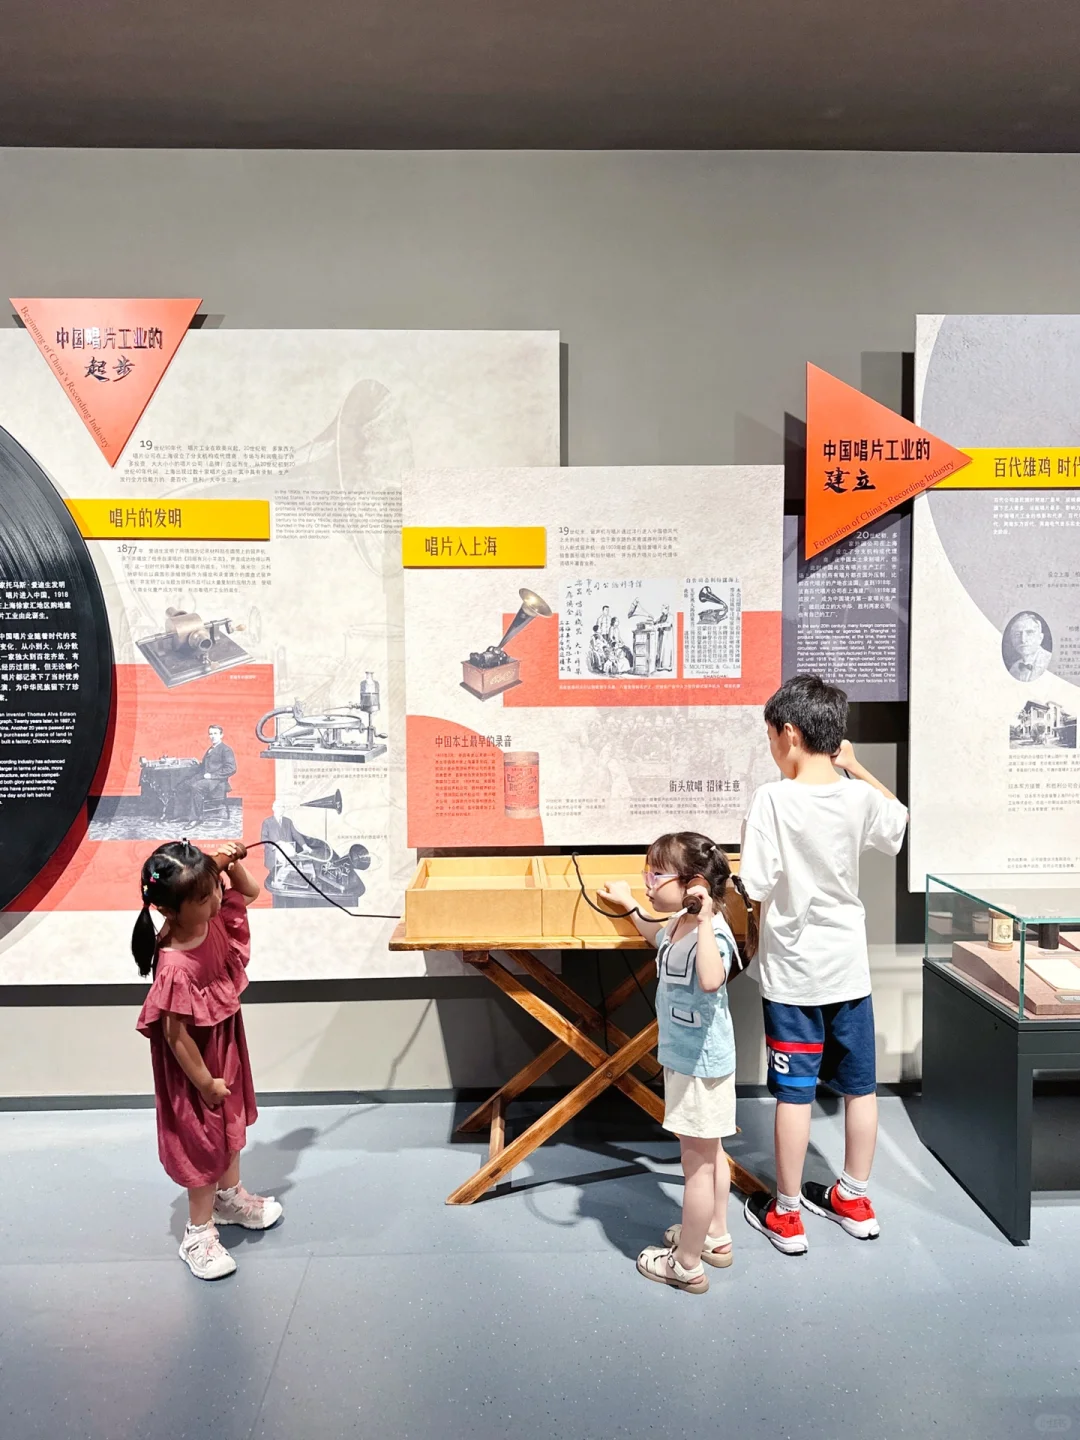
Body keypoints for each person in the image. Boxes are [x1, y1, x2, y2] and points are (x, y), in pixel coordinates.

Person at [738, 675, 908, 1256]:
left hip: (793, 974)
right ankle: (853, 1198)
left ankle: (786, 1213)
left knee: (794, 1093)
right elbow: (897, 821)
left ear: (789, 733)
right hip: (848, 969)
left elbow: (757, 882)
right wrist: (854, 766)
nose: (771, 748)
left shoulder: (772, 799)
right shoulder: (858, 797)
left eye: (770, 737)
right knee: (860, 1088)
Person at [600, 832, 757, 1294]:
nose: (647, 882)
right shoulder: (677, 924)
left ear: (693, 884)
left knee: (697, 1166)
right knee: (711, 1153)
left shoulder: (712, 932)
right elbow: (658, 937)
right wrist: (631, 905)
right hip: (687, 1059)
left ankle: (685, 1263)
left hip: (700, 1065)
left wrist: (705, 920)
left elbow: (711, 978)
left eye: (656, 875)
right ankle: (714, 1236)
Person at [132, 839, 283, 1280]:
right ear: (169, 910)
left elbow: (249, 891)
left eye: (214, 889)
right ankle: (197, 1233)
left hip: (223, 1045)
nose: (218, 899)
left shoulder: (206, 909)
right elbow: (175, 1034)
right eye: (204, 897)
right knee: (202, 1143)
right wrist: (204, 1082)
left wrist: (228, 865)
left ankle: (228, 1197)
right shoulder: (174, 965)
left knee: (229, 1128)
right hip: (195, 1067)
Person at [178, 724, 237, 823]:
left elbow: (231, 768)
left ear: (221, 735)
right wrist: (197, 763)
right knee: (182, 785)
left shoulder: (226, 749)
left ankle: (195, 819)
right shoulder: (211, 749)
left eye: (215, 733)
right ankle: (182, 815)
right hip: (205, 777)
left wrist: (212, 776)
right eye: (210, 734)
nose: (212, 736)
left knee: (196, 787)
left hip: (217, 781)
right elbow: (207, 766)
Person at [1004, 612, 1052, 682]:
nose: (1023, 640)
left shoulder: (1050, 661)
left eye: (1029, 633)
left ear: (1040, 638)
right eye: (1017, 634)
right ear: (1012, 639)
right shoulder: (1013, 669)